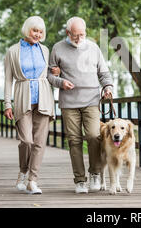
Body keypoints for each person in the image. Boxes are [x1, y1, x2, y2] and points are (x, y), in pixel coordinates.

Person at [47, 16, 113, 194]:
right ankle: (80, 180)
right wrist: (61, 82)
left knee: (93, 136)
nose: (79, 38)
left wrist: (107, 87)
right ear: (68, 33)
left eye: (82, 34)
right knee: (74, 140)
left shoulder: (93, 47)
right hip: (69, 102)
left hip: (91, 100)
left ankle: (95, 173)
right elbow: (49, 75)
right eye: (75, 35)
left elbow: (104, 73)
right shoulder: (58, 48)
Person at [3, 16, 55, 194]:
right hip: (22, 97)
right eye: (35, 31)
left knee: (39, 142)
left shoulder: (45, 50)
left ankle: (33, 180)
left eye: (41, 32)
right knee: (26, 140)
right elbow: (8, 80)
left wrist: (55, 72)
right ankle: (23, 172)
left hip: (44, 98)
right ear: (27, 30)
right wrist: (7, 104)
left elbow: (46, 73)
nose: (38, 34)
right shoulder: (13, 51)